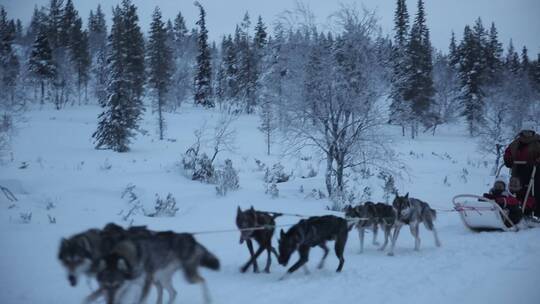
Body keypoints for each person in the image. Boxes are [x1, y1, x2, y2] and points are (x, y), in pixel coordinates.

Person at [503, 122, 540, 217]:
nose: (527, 134)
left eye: (529, 132)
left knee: (534, 190)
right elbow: (508, 152)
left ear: (532, 132)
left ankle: (534, 210)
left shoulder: (538, 141)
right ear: (522, 132)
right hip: (517, 170)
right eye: (525, 132)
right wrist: (508, 159)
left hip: (535, 171)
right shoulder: (516, 143)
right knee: (516, 189)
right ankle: (515, 208)